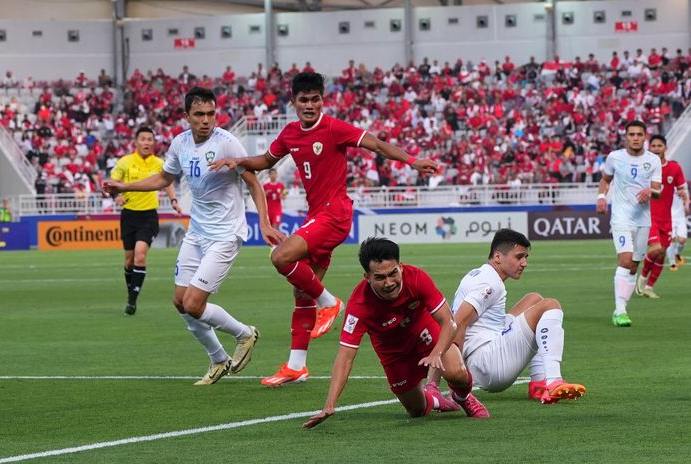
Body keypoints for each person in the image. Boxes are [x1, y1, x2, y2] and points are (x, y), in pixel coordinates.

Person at [209, 72, 437, 386]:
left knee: (280, 257)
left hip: (335, 213)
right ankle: (296, 366)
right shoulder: (290, 134)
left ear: (322, 100)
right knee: (302, 291)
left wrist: (411, 160)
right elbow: (265, 160)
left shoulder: (334, 128)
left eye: (315, 99)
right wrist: (237, 160)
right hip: (317, 215)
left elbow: (377, 146)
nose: (310, 105)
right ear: (294, 102)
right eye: (304, 100)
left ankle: (329, 302)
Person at [103, 87, 286, 385]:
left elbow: (253, 182)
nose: (206, 120)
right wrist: (123, 187)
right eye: (199, 114)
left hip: (225, 235)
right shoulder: (180, 143)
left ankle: (244, 334)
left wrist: (264, 223)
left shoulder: (228, 143)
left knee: (193, 304)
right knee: (179, 301)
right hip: (197, 232)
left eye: (211, 114)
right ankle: (218, 359)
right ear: (187, 116)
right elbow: (165, 178)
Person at [303, 237, 489, 429]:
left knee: (456, 372)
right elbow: (345, 357)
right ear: (366, 277)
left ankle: (463, 397)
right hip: (392, 353)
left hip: (423, 332)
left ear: (400, 266)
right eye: (379, 278)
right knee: (416, 411)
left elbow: (449, 322)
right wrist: (330, 404)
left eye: (393, 273)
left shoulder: (416, 278)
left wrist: (437, 353)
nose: (389, 283)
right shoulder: (359, 306)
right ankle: (435, 399)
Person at [450, 229, 586, 404]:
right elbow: (458, 323)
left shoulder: (480, 273)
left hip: (482, 352)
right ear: (498, 257)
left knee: (534, 299)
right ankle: (553, 381)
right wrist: (459, 379)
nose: (524, 263)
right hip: (487, 364)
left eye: (526, 257)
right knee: (550, 305)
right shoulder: (490, 283)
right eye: (519, 257)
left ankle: (538, 383)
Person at [110, 127, 182, 315]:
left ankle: (132, 301)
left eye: (150, 139)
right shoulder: (125, 162)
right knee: (129, 260)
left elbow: (167, 183)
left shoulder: (159, 163)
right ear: (136, 142)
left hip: (149, 216)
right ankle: (130, 293)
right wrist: (116, 197)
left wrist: (174, 200)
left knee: (140, 255)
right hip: (129, 215)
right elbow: (112, 183)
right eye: (143, 139)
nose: (147, 142)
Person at [596, 120, 662, 327]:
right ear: (626, 136)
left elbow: (658, 190)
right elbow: (606, 180)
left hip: (643, 220)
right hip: (621, 218)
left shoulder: (653, 160)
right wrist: (600, 196)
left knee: (634, 265)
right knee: (625, 260)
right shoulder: (615, 157)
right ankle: (619, 310)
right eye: (631, 134)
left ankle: (623, 304)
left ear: (645, 137)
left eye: (639, 134)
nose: (635, 138)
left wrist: (650, 191)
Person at [635, 135, 688, 298]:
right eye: (654, 146)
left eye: (660, 145)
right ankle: (642, 279)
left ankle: (649, 287)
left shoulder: (674, 168)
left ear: (666, 148)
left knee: (662, 253)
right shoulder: (644, 168)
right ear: (649, 149)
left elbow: (682, 188)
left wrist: (682, 193)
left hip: (667, 218)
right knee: (656, 249)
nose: (657, 148)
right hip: (649, 217)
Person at [667, 191, 689, 270]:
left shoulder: (682, 184)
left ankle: (677, 253)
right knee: (671, 239)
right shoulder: (667, 183)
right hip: (669, 216)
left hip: (681, 217)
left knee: (682, 240)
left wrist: (686, 205)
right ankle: (672, 263)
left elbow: (686, 197)